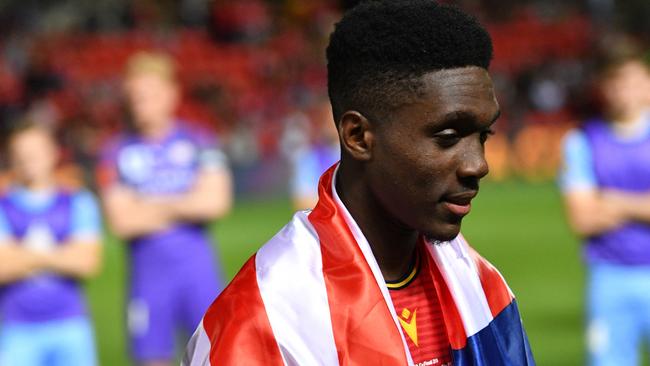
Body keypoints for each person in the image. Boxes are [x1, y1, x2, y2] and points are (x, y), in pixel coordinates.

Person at [183, 1, 534, 365]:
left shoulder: (479, 283)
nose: (478, 165)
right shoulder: (266, 318)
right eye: (447, 136)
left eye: (483, 135)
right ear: (359, 136)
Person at [97, 52, 233, 366]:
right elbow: (122, 222)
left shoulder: (200, 140)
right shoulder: (115, 150)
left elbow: (216, 203)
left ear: (171, 94)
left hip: (199, 276)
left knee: (215, 357)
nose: (139, 102)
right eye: (134, 96)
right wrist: (185, 202)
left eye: (148, 94)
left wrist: (147, 204)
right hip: (148, 282)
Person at [559, 52, 650, 366]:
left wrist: (613, 201)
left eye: (632, 80)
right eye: (615, 81)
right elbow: (583, 219)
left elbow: (596, 208)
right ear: (604, 87)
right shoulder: (582, 140)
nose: (624, 90)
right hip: (610, 276)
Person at [0, 121, 103, 366]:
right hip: (16, 328)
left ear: (53, 153)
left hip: (70, 326)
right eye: (21, 154)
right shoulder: (4, 205)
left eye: (35, 153)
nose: (29, 160)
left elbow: (86, 263)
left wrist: (21, 254)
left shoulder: (78, 201)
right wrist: (61, 254)